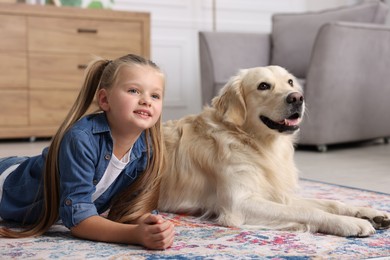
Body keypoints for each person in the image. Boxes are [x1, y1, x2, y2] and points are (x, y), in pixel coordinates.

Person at [0, 54, 174, 249]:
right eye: (134, 91)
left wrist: (149, 224)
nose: (146, 101)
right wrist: (135, 234)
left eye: (155, 95)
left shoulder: (147, 149)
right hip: (7, 185)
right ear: (104, 100)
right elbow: (78, 219)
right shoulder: (81, 138)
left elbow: (132, 205)